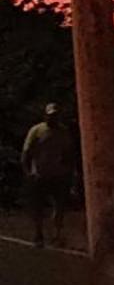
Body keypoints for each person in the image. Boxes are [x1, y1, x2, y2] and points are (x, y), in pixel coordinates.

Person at [20, 103, 76, 249]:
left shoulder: (63, 132)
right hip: (40, 174)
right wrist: (28, 172)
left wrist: (69, 170)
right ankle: (38, 234)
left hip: (58, 174)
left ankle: (57, 234)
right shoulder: (37, 130)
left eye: (55, 116)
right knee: (38, 206)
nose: (53, 118)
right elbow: (26, 152)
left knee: (59, 205)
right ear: (45, 116)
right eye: (50, 116)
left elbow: (69, 153)